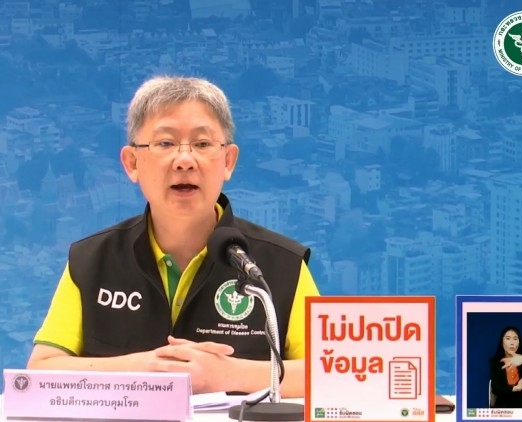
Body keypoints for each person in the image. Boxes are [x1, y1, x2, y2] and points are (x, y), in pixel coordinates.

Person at [26, 75, 320, 398]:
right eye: (165, 143)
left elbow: (330, 373)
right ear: (132, 163)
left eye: (202, 144)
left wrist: (229, 374)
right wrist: (144, 369)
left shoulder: (280, 266)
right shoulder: (92, 260)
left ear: (228, 161)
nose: (184, 160)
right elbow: (39, 372)